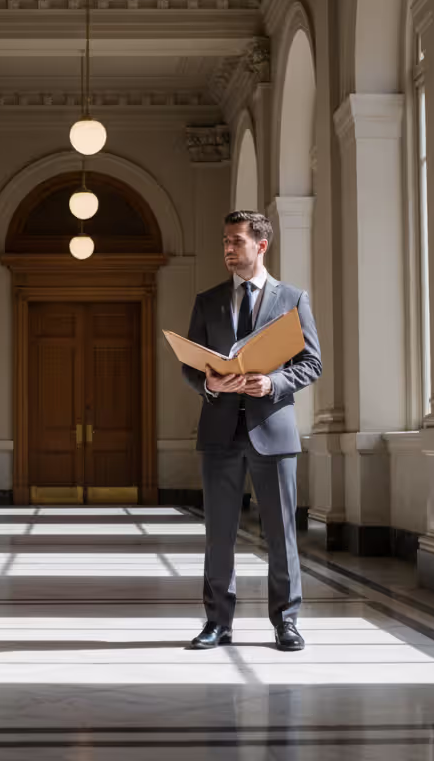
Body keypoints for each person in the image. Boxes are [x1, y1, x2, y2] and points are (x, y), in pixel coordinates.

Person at [182, 210, 322, 651]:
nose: (227, 248)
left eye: (236, 241)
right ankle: (217, 623)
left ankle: (286, 622)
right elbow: (189, 364)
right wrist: (208, 381)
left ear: (261, 246)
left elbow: (311, 363)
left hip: (273, 430)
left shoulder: (293, 299)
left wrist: (274, 382)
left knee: (280, 533)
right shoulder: (207, 301)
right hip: (220, 430)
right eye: (225, 241)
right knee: (218, 534)